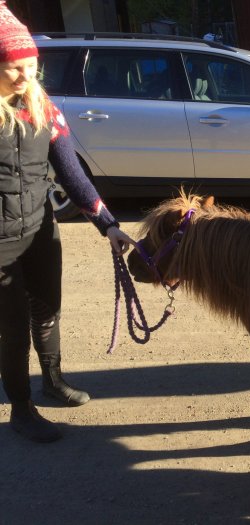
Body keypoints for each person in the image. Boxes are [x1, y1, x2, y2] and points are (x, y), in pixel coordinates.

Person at [0, 1, 134, 443]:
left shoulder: (43, 107)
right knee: (13, 327)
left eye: (31, 67)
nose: (25, 78)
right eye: (14, 69)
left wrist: (108, 224)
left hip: (40, 229)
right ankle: (21, 408)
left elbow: (71, 172)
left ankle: (53, 381)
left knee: (48, 310)